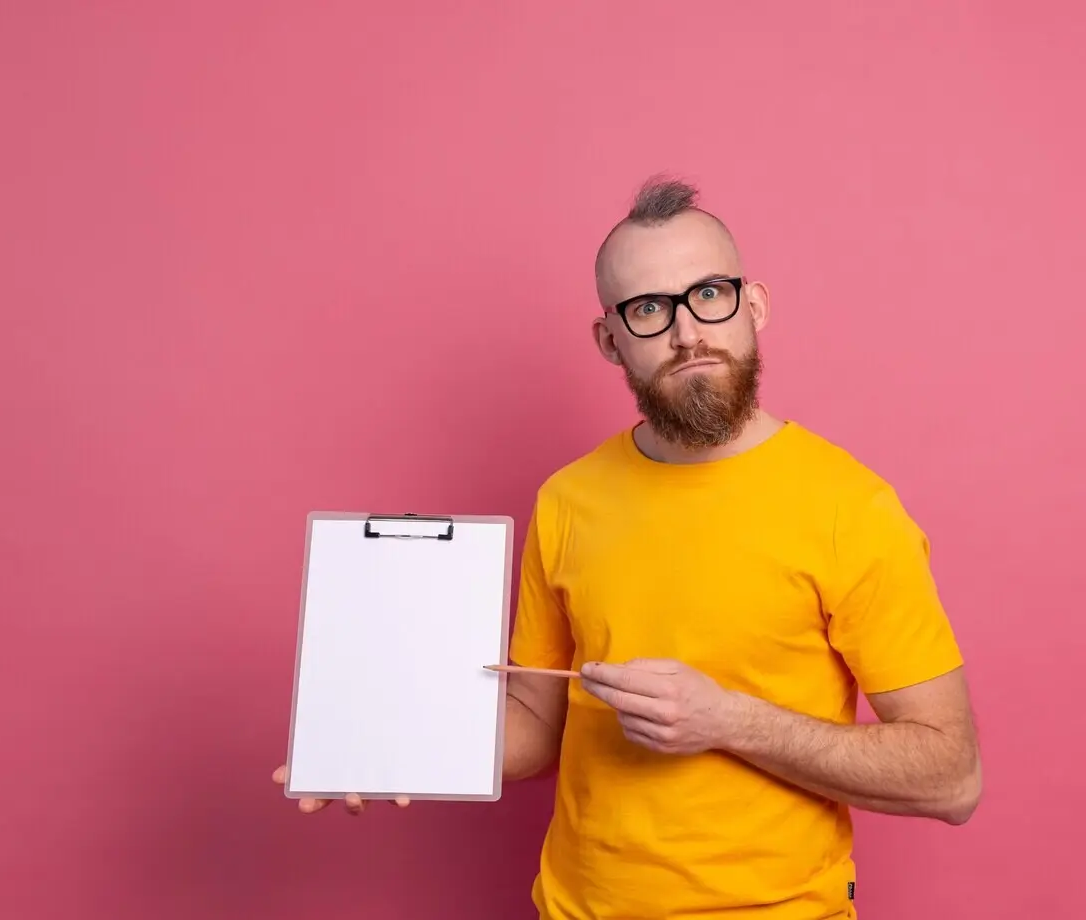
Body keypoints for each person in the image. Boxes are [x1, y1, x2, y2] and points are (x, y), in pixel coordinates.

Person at [272, 176, 981, 919]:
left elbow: (952, 779)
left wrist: (727, 720)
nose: (687, 333)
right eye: (648, 309)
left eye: (710, 294)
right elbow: (536, 725)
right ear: (610, 340)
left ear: (755, 306)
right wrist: (383, 745)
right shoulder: (567, 500)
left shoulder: (851, 508)